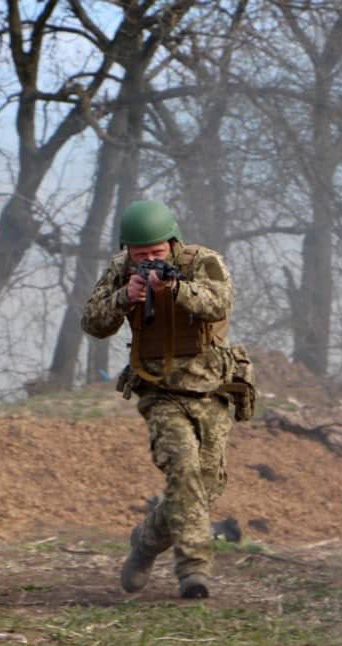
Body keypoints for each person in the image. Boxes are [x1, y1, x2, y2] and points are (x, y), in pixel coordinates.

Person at [80, 200, 236, 599]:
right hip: (160, 390)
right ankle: (193, 572)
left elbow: (220, 302)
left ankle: (146, 542)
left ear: (172, 243)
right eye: (141, 254)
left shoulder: (202, 262)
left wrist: (176, 289)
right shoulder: (120, 270)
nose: (149, 260)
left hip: (210, 389)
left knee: (205, 487)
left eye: (157, 253)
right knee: (182, 470)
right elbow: (93, 323)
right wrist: (124, 297)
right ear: (128, 250)